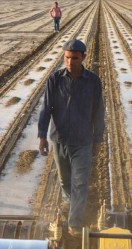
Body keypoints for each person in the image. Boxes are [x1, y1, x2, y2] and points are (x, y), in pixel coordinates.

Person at [38, 39, 105, 237]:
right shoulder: (55, 79)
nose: (70, 62)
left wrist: (98, 139)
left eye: (74, 58)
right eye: (67, 58)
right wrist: (42, 136)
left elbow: (98, 112)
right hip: (59, 138)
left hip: (83, 140)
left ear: (83, 57)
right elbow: (46, 108)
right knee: (64, 181)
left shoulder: (93, 81)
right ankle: (69, 204)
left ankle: (74, 223)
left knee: (80, 182)